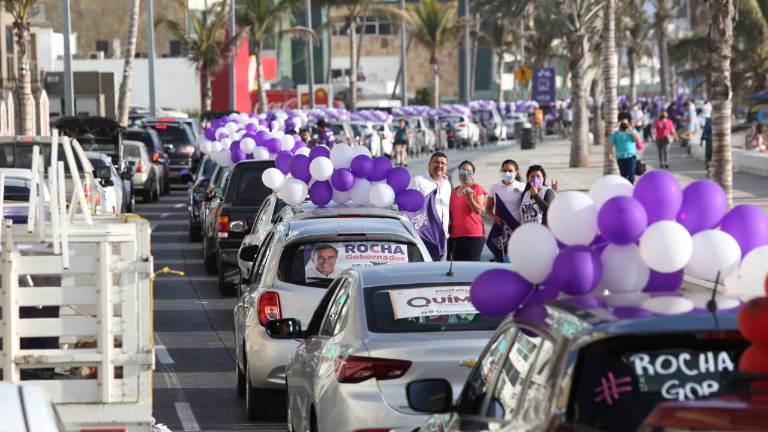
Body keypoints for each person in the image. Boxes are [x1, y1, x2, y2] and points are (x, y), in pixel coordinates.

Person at [485, 160, 525, 262]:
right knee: (503, 259)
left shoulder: (522, 187)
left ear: (516, 172)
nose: (507, 173)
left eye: (510, 170)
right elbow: (488, 208)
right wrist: (494, 218)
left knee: (517, 260)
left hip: (517, 230)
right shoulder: (495, 187)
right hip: (501, 231)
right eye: (505, 170)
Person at [449, 161, 487, 261]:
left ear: (473, 174)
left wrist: (470, 198)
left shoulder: (476, 188)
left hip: (473, 236)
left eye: (468, 171)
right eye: (463, 171)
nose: (465, 173)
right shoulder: (454, 191)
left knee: (471, 269)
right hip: (456, 236)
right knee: (457, 270)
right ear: (458, 173)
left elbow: (479, 211)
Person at [411, 152, 452, 244]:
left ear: (446, 167)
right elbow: (410, 208)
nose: (439, 165)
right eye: (436, 162)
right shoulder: (418, 181)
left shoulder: (447, 184)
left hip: (442, 237)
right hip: (423, 237)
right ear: (429, 165)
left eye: (443, 163)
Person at [610, 119, 642, 183]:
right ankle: (625, 188)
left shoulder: (632, 132)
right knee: (623, 175)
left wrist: (631, 130)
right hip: (620, 158)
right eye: (622, 123)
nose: (624, 125)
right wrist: (610, 153)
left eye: (625, 123)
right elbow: (611, 144)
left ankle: (630, 187)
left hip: (631, 157)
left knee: (631, 175)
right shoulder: (616, 134)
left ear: (628, 124)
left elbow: (637, 139)